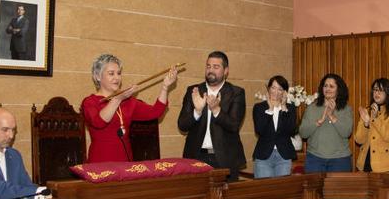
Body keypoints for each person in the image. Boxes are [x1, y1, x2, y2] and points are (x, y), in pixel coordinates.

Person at [82, 54, 177, 163]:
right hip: (100, 162)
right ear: (98, 76)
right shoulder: (90, 102)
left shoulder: (128, 101)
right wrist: (117, 99)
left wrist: (165, 87)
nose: (116, 78)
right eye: (111, 73)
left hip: (125, 162)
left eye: (119, 73)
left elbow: (156, 112)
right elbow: (99, 122)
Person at [177, 51, 246, 182]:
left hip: (225, 158)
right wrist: (196, 112)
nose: (210, 70)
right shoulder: (194, 91)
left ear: (226, 71)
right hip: (196, 157)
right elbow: (182, 125)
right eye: (208, 66)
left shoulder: (236, 93)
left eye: (216, 67)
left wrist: (216, 110)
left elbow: (234, 125)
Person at [299, 73, 354, 173]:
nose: (327, 89)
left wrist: (332, 116)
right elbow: (303, 133)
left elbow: (347, 132)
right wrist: (318, 122)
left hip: (340, 160)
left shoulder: (346, 109)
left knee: (337, 189)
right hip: (315, 159)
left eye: (331, 86)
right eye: (325, 85)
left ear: (339, 89)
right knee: (314, 189)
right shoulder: (312, 108)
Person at [251, 75, 297, 178]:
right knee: (265, 190)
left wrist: (284, 107)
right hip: (264, 155)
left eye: (280, 89)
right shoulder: (259, 107)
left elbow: (291, 130)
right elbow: (259, 130)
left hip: (283, 156)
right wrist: (270, 110)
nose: (276, 91)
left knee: (282, 191)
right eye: (273, 87)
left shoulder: (290, 108)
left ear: (285, 92)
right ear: (268, 88)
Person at [355, 78, 389, 173]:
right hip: (365, 164)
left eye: (381, 90)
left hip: (386, 166)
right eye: (375, 90)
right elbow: (359, 140)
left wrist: (375, 118)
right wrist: (366, 124)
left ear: (388, 93)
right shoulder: (366, 111)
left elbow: (388, 136)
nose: (377, 93)